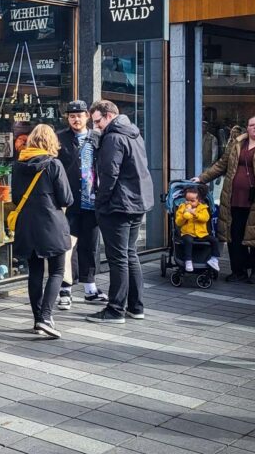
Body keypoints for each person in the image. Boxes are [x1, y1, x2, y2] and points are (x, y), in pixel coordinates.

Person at [86, 100, 153, 324]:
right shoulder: (133, 133)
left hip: (119, 204)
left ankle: (115, 309)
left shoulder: (113, 137)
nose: (95, 127)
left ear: (109, 116)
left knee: (119, 258)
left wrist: (100, 202)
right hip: (136, 202)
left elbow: (109, 174)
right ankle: (136, 307)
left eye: (97, 121)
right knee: (130, 254)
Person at [12, 125, 73, 339]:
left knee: (35, 272)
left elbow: (15, 199)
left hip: (26, 225)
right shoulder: (54, 164)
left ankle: (38, 318)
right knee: (57, 270)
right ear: (51, 142)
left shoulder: (18, 166)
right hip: (51, 223)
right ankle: (46, 318)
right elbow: (66, 198)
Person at [196, 115, 255, 283]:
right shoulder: (237, 144)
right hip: (235, 197)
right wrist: (202, 179)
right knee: (235, 235)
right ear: (247, 128)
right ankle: (239, 271)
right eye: (252, 125)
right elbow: (222, 164)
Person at [56, 100, 106, 310]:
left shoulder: (98, 138)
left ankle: (90, 287)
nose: (76, 119)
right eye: (71, 116)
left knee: (90, 245)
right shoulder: (60, 139)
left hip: (92, 201)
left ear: (87, 116)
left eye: (79, 115)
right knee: (67, 247)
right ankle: (65, 289)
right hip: (69, 202)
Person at [175, 187, 220, 272]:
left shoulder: (203, 208)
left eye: (192, 201)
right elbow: (178, 222)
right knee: (188, 240)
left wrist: (195, 214)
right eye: (187, 200)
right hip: (188, 232)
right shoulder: (182, 208)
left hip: (201, 233)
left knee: (215, 240)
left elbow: (205, 218)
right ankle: (188, 260)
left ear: (198, 200)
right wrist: (184, 216)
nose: (189, 203)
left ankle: (214, 259)